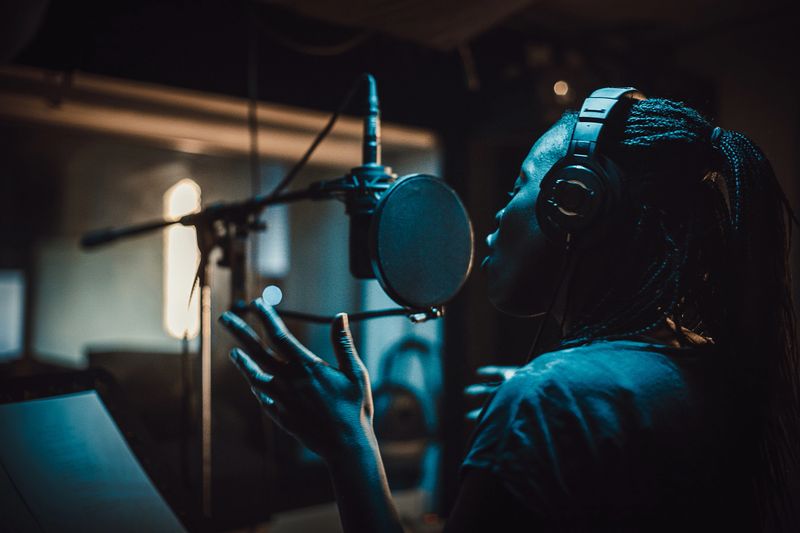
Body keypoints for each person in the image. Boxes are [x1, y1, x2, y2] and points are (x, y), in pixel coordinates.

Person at [220, 89, 800, 532]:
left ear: (574, 205)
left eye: (515, 188)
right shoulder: (710, 368)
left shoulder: (554, 401)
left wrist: (349, 442)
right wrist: (554, 414)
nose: (494, 220)